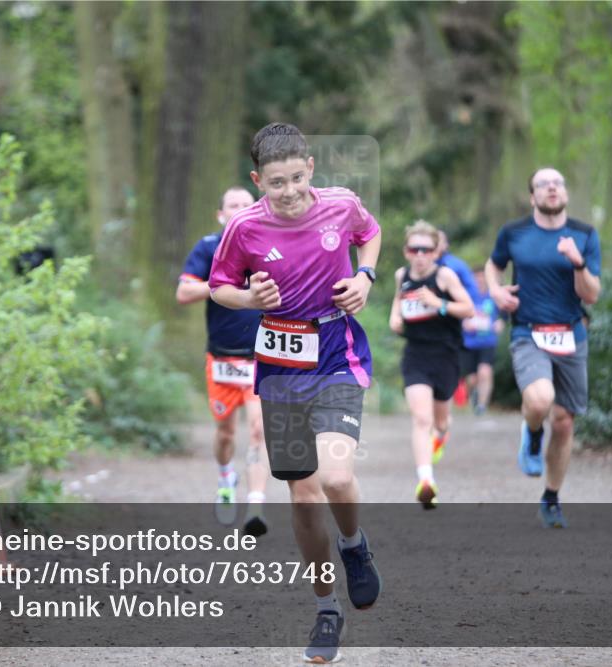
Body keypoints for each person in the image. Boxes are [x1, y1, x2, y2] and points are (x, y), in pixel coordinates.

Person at [210, 123, 382, 664]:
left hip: (335, 356)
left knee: (336, 477)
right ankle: (326, 609)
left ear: (310, 167)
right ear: (258, 180)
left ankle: (354, 546)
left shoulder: (341, 205)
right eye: (275, 183)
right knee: (304, 496)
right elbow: (219, 286)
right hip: (281, 371)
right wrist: (248, 298)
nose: (287, 192)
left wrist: (366, 277)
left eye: (295, 178)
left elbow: (371, 232)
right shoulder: (244, 227)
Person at [485, 167, 601, 529]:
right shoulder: (514, 232)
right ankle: (533, 433)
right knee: (539, 400)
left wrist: (577, 262)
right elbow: (493, 265)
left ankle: (551, 498)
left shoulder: (584, 234)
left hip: (571, 335)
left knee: (564, 423)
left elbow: (591, 295)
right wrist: (496, 291)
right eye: (543, 184)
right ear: (532, 195)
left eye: (558, 183)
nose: (552, 187)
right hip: (528, 333)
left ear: (565, 193)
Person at [176, 186, 271, 536]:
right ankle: (226, 476)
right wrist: (223, 285)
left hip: (261, 356)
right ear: (221, 215)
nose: (241, 209)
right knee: (226, 432)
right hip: (222, 358)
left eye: (247, 204)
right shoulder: (208, 248)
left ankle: (256, 505)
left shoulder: (269, 247)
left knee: (259, 429)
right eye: (233, 205)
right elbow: (184, 292)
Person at [388, 221, 474, 509]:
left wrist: (438, 303)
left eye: (426, 249)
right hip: (416, 355)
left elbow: (468, 308)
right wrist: (395, 319)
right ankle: (426, 482)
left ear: (436, 252)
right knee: (421, 419)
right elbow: (397, 308)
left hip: (446, 355)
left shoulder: (445, 276)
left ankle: (441, 435)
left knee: (440, 422)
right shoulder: (402, 276)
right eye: (415, 249)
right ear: (406, 252)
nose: (420, 255)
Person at [429, 230, 482, 461]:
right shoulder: (419, 266)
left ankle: (441, 425)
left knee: (446, 380)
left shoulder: (455, 266)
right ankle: (431, 426)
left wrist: (470, 314)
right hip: (423, 335)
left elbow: (473, 295)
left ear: (445, 244)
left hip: (450, 332)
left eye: (438, 240)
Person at [460, 266, 505, 416]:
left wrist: (501, 322)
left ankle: (482, 405)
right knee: (472, 379)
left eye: (482, 277)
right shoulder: (466, 295)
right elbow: (456, 313)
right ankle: (473, 396)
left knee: (485, 372)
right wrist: (463, 323)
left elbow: (505, 313)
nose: (479, 280)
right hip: (469, 343)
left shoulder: (494, 296)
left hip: (487, 341)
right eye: (476, 277)